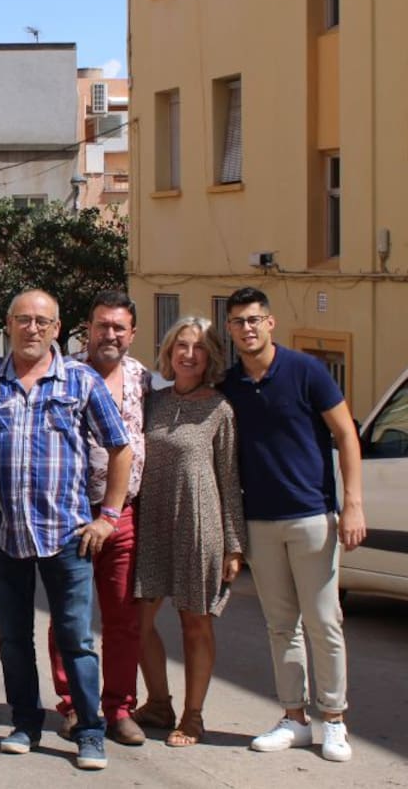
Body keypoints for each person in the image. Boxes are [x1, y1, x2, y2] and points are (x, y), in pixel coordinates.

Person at [0, 288, 132, 771]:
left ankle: (90, 731)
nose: (33, 329)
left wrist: (108, 516)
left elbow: (120, 447)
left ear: (57, 329)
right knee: (13, 639)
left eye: (43, 322)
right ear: (8, 324)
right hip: (3, 536)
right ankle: (25, 723)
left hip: (66, 537)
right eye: (23, 320)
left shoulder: (81, 381)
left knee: (76, 639)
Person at [220, 287, 366, 763]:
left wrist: (354, 505)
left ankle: (335, 721)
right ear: (230, 329)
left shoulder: (306, 371)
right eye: (239, 321)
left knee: (325, 621)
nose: (247, 328)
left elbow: (346, 435)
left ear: (271, 322)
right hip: (260, 520)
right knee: (281, 626)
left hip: (312, 517)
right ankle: (294, 719)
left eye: (255, 319)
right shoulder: (231, 386)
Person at [133, 317, 245, 747]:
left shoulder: (220, 409)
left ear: (210, 356)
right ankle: (158, 702)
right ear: (169, 351)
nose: (189, 354)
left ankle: (193, 715)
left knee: (194, 622)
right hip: (152, 521)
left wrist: (234, 546)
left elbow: (229, 477)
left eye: (198, 348)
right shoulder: (153, 402)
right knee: (137, 621)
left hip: (200, 524)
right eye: (182, 345)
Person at [47, 291, 150, 747]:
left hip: (122, 514)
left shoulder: (144, 379)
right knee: (69, 618)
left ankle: (118, 708)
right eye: (101, 325)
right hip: (68, 515)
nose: (109, 334)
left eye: (118, 327)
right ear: (86, 328)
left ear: (132, 333)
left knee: (123, 618)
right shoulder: (63, 374)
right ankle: (73, 705)